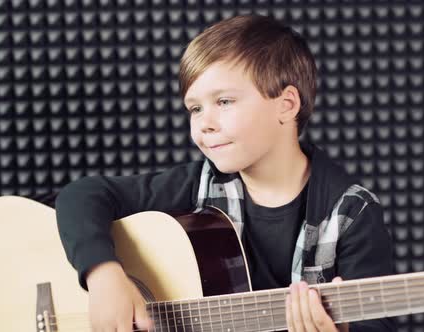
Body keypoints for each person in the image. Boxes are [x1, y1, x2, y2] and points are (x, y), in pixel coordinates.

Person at [55, 14, 395, 332]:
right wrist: (103, 275)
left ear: (286, 105)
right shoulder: (196, 186)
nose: (205, 123)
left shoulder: (352, 212)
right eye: (195, 108)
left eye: (224, 102)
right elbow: (81, 196)